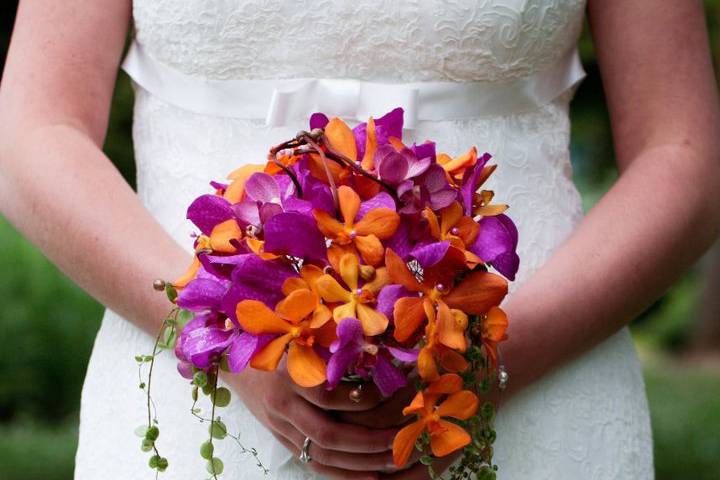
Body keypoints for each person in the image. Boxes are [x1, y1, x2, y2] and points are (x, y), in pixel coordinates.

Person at [1, 1, 719, 479]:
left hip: (537, 377)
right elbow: (35, 130)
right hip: (203, 387)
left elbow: (686, 154)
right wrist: (223, 330)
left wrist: (478, 364)